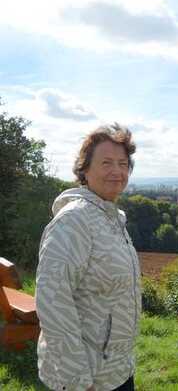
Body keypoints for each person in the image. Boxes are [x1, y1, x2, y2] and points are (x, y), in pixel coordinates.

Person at [36, 124, 141, 391]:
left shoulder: (112, 218)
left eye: (123, 163)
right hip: (87, 378)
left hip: (116, 369)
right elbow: (52, 302)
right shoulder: (74, 220)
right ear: (85, 169)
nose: (117, 171)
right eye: (106, 162)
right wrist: (78, 381)